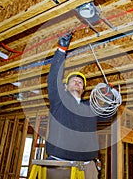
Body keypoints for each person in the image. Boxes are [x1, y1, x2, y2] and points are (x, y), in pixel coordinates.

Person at [45, 32, 99, 179]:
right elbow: (53, 79)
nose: (77, 82)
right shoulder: (59, 101)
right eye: (73, 80)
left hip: (88, 166)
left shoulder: (90, 108)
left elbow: (107, 113)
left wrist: (107, 98)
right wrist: (61, 50)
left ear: (83, 89)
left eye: (80, 82)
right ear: (65, 87)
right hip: (60, 163)